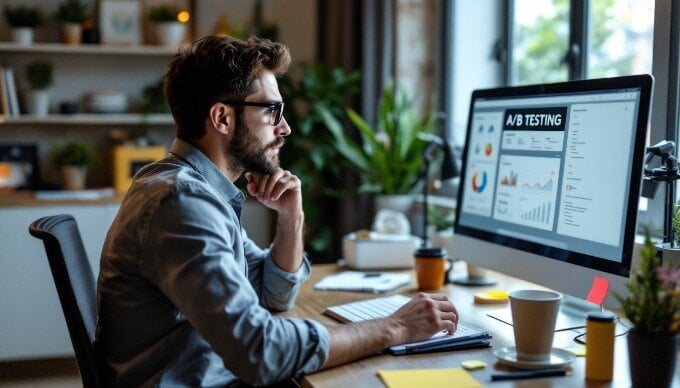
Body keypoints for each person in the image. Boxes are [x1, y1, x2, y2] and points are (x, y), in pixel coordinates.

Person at [96, 35, 459, 387]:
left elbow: (273, 295)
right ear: (222, 118)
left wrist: (290, 218)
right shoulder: (181, 202)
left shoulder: (193, 190)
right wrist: (393, 328)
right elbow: (261, 351)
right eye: (272, 110)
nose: (285, 127)